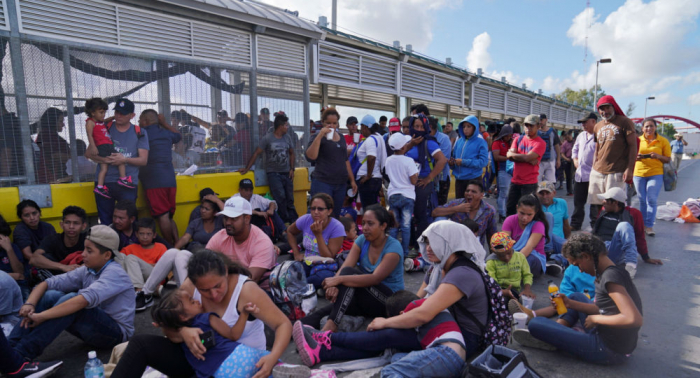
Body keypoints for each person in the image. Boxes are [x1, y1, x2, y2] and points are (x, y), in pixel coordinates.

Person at [111, 251, 292, 378]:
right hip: (198, 360)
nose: (213, 295)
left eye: (218, 286)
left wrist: (272, 358)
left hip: (235, 368)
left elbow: (283, 324)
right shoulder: (189, 287)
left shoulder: (246, 290)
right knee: (140, 344)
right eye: (204, 290)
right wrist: (183, 331)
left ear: (226, 272)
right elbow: (169, 328)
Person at [7, 225, 134, 362]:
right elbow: (48, 283)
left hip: (115, 335)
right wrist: (29, 304)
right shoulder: (88, 269)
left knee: (73, 300)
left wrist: (42, 316)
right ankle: (8, 349)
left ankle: (21, 355)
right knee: (51, 295)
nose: (83, 254)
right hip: (95, 325)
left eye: (89, 251)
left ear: (107, 255)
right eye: (84, 248)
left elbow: (82, 301)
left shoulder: (114, 273)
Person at [514, 233, 644, 365]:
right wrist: (569, 303)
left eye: (577, 265)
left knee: (535, 324)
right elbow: (604, 308)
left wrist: (596, 318)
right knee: (576, 297)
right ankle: (558, 333)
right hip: (611, 337)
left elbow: (633, 319)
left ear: (586, 256)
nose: (580, 270)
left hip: (608, 348)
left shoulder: (610, 278)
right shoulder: (612, 270)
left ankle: (555, 336)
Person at [293, 290, 467, 377]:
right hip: (449, 358)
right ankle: (322, 349)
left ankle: (327, 338)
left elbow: (401, 324)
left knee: (389, 372)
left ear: (402, 314)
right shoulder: (428, 320)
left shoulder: (418, 307)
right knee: (394, 356)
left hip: (445, 355)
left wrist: (384, 322)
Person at [300, 205, 403, 332]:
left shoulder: (393, 247)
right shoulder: (361, 241)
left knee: (348, 276)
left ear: (383, 226)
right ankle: (289, 329)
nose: (365, 228)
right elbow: (346, 266)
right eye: (363, 223)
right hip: (367, 298)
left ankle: (331, 327)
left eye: (370, 224)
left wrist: (338, 280)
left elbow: (375, 279)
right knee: (329, 309)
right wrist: (334, 285)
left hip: (389, 302)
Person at [151, 288, 267, 378]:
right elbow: (233, 335)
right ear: (182, 316)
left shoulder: (180, 336)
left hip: (218, 373)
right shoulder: (206, 318)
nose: (197, 300)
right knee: (272, 365)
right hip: (240, 357)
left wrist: (164, 324)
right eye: (192, 302)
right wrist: (244, 313)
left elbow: (171, 336)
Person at [86, 98, 150, 225]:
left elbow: (143, 160)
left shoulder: (139, 132)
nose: (118, 116)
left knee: (128, 222)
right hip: (105, 183)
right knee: (106, 222)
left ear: (132, 115)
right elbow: (88, 154)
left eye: (123, 113)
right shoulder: (104, 127)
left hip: (127, 184)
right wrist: (105, 160)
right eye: (117, 112)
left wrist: (124, 159)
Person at [205, 197, 277, 290]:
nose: (227, 222)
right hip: (226, 287)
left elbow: (250, 280)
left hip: (256, 292)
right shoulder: (221, 236)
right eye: (226, 218)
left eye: (233, 219)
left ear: (247, 219)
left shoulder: (262, 242)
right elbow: (204, 263)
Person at [238, 113, 298, 223]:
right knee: (280, 197)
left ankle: (295, 222)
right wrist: (247, 168)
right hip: (273, 173)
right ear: (280, 126)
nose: (287, 127)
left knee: (290, 198)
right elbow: (256, 153)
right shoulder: (267, 138)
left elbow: (292, 153)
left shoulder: (287, 137)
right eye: (286, 125)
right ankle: (285, 222)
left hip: (286, 172)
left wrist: (292, 169)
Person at [588, 95, 638, 226]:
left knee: (613, 204)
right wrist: (594, 163)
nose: (605, 111)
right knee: (595, 204)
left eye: (607, 107)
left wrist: (629, 168)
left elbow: (633, 146)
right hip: (598, 171)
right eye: (601, 109)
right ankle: (596, 229)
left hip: (616, 171)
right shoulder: (597, 126)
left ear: (613, 107)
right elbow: (597, 146)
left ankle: (612, 231)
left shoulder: (625, 122)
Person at [592, 187, 663, 279]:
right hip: (599, 249)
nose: (603, 202)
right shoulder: (604, 210)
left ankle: (630, 267)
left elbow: (639, 236)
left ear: (615, 202)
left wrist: (646, 257)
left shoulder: (633, 213)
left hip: (615, 250)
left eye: (606, 200)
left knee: (624, 225)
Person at [137, 109, 182, 245]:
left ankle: (169, 247)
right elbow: (178, 136)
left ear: (145, 121)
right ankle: (178, 244)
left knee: (162, 216)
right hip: (169, 179)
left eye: (140, 120)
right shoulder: (165, 132)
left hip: (153, 181)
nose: (138, 122)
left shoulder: (141, 134)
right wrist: (164, 123)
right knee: (168, 215)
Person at [306, 108, 357, 218]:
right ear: (323, 122)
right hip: (323, 182)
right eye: (328, 123)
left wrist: (352, 180)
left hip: (340, 184)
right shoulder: (316, 137)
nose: (331, 126)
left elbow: (345, 160)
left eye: (334, 123)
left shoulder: (341, 138)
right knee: (318, 214)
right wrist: (320, 135)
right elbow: (311, 156)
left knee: (334, 215)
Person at [286, 193, 345, 289]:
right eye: (313, 208)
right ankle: (309, 286)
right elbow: (290, 231)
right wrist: (296, 253)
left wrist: (318, 235)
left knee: (323, 276)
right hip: (307, 262)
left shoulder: (337, 227)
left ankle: (299, 285)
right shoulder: (306, 219)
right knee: (289, 271)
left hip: (325, 266)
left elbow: (328, 256)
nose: (315, 212)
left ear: (329, 211)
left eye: (320, 209)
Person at [405, 114, 448, 243]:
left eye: (421, 126)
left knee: (420, 215)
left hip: (421, 184)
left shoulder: (429, 142)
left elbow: (442, 160)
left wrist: (429, 178)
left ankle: (421, 243)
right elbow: (398, 154)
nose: (418, 129)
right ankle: (411, 242)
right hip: (407, 183)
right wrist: (410, 144)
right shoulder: (407, 142)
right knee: (408, 215)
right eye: (415, 126)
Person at [85, 98, 133, 198]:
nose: (103, 115)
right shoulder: (90, 122)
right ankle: (123, 178)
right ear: (92, 113)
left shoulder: (100, 121)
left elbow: (104, 120)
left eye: (104, 112)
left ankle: (100, 186)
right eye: (101, 112)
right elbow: (89, 135)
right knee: (120, 158)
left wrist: (112, 118)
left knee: (104, 168)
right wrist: (93, 147)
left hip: (107, 144)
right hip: (102, 146)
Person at [633, 118, 672, 237]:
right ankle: (642, 225)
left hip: (655, 174)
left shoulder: (663, 141)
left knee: (651, 199)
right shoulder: (637, 140)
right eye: (646, 126)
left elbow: (668, 159)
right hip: (639, 174)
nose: (649, 129)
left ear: (655, 127)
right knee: (642, 200)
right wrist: (636, 157)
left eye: (651, 126)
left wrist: (657, 156)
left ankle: (649, 226)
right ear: (642, 128)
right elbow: (630, 156)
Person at [432, 180, 497, 247]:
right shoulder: (457, 204)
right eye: (467, 191)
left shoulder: (489, 210)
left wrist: (493, 256)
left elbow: (492, 236)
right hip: (454, 247)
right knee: (439, 219)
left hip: (475, 249)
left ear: (481, 195)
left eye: (473, 192)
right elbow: (435, 212)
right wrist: (456, 209)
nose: (469, 193)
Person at [29, 206, 88, 280]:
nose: (71, 227)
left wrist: (83, 267)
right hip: (56, 280)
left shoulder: (88, 239)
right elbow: (34, 259)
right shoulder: (52, 239)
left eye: (76, 223)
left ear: (83, 226)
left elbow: (101, 257)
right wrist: (63, 267)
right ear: (61, 225)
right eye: (67, 222)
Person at [385, 133, 419, 257]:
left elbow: (389, 175)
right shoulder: (409, 161)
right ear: (404, 147)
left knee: (394, 225)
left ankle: (392, 252)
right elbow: (413, 181)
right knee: (405, 226)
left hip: (393, 194)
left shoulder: (388, 160)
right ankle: (404, 252)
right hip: (407, 196)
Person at [506, 114, 546, 216]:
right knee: (510, 209)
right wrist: (526, 158)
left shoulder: (540, 143)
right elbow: (509, 156)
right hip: (515, 181)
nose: (528, 128)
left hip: (529, 183)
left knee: (527, 212)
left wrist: (515, 156)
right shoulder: (518, 139)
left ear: (538, 126)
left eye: (531, 125)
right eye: (526, 125)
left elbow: (523, 157)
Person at [502, 195, 549, 276]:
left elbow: (529, 247)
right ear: (517, 208)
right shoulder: (509, 220)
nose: (525, 218)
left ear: (536, 212)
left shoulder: (538, 225)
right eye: (522, 213)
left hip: (533, 257)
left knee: (528, 260)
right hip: (511, 254)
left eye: (529, 214)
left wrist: (512, 264)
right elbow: (505, 244)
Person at [116, 218, 167, 293]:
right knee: (119, 257)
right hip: (134, 279)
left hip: (154, 277)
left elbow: (162, 268)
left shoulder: (160, 247)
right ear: (136, 234)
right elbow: (118, 261)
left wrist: (135, 266)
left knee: (130, 258)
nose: (145, 237)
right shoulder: (130, 248)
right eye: (141, 234)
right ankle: (149, 290)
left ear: (154, 235)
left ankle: (139, 291)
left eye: (148, 234)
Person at [486, 232, 534, 302]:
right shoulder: (491, 262)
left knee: (521, 298)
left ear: (512, 247)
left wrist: (527, 289)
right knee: (498, 299)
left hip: (514, 290)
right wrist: (503, 291)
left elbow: (527, 275)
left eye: (509, 253)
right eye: (501, 256)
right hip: (498, 289)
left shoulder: (520, 257)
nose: (507, 258)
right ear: (494, 252)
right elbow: (492, 282)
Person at [449, 115, 489, 200]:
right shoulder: (459, 141)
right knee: (460, 206)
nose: (465, 129)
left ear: (475, 128)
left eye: (469, 126)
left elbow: (483, 162)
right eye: (463, 126)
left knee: (473, 206)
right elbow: (454, 157)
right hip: (459, 180)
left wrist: (463, 162)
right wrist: (452, 164)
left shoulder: (481, 142)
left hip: (474, 179)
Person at [571, 112, 599, 231]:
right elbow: (575, 149)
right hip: (580, 175)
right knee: (578, 202)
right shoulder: (581, 135)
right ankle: (576, 223)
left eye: (585, 122)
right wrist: (575, 159)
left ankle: (595, 225)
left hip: (594, 175)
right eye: (582, 123)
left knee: (595, 203)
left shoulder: (599, 135)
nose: (583, 125)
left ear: (593, 121)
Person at [355, 115, 387, 208]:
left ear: (365, 127)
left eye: (361, 127)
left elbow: (371, 157)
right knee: (373, 208)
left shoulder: (370, 140)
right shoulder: (378, 137)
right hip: (376, 179)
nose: (360, 130)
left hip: (368, 181)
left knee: (368, 209)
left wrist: (368, 175)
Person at [34, 108, 70, 184]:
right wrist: (72, 156)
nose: (63, 124)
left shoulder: (45, 134)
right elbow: (53, 155)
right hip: (52, 177)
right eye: (60, 121)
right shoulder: (47, 135)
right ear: (53, 121)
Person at [537, 181, 570, 253]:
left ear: (554, 193)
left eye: (547, 193)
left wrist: (568, 241)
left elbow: (566, 225)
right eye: (541, 194)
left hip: (559, 241)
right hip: (542, 242)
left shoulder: (561, 203)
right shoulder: (534, 206)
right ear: (537, 194)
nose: (544, 196)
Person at [0, 216, 28, 300]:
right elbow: (17, 275)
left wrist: (9, 249)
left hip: (18, 287)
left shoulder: (12, 247)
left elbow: (20, 273)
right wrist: (10, 276)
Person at [492, 125, 513, 222]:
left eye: (510, 136)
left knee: (509, 194)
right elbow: (496, 157)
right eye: (507, 136)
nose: (509, 138)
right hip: (503, 170)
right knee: (503, 194)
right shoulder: (497, 143)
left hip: (511, 171)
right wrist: (509, 158)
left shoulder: (509, 143)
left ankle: (506, 213)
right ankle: (502, 214)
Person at [536, 114, 561, 184]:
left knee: (550, 183)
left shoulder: (552, 131)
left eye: (541, 120)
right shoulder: (535, 131)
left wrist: (558, 159)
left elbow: (557, 145)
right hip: (538, 161)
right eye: (539, 120)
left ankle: (548, 195)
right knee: (536, 182)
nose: (540, 122)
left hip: (550, 160)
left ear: (546, 119)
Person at [560, 131, 574, 195]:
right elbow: (562, 153)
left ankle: (574, 190)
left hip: (575, 161)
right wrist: (567, 159)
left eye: (569, 136)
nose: (568, 138)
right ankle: (569, 191)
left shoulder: (575, 142)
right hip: (568, 161)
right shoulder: (565, 144)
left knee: (575, 176)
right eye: (567, 137)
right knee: (568, 177)